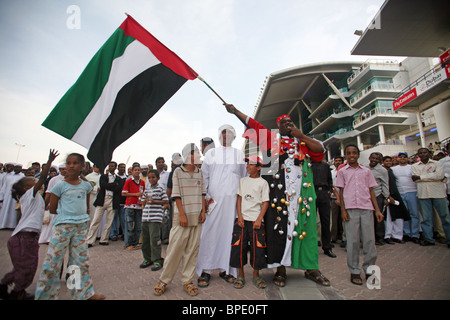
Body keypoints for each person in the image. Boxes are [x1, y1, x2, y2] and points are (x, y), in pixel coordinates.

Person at [224, 103, 330, 287]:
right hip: (279, 194)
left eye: (291, 123)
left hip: (303, 192)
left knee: (307, 228)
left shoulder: (304, 142)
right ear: (278, 127)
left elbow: (320, 151)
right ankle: (280, 269)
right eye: (284, 124)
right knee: (278, 230)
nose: (288, 125)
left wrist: (301, 136)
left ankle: (311, 268)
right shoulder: (272, 140)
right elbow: (253, 124)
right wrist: (235, 111)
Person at [35, 153, 105, 300]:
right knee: (53, 263)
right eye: (68, 163)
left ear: (82, 166)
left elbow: (86, 206)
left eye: (75, 163)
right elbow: (53, 208)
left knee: (79, 262)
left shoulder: (86, 185)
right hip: (63, 227)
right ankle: (46, 295)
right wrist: (67, 215)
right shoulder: (60, 185)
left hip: (80, 227)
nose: (71, 166)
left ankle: (82, 294)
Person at [0, 150, 58, 300]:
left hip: (27, 237)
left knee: (25, 267)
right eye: (31, 180)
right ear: (26, 188)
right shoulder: (29, 195)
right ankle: (15, 292)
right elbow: (43, 177)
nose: (34, 180)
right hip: (24, 237)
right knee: (27, 268)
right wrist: (49, 161)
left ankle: (9, 288)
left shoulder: (35, 198)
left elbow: (44, 204)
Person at [196, 124, 247, 287]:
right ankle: (205, 270)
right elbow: (204, 179)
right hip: (213, 202)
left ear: (234, 137)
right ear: (219, 136)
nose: (226, 137)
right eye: (224, 134)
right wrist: (206, 200)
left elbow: (243, 179)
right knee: (209, 234)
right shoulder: (211, 154)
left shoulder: (239, 154)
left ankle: (227, 270)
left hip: (232, 204)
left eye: (230, 134)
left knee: (229, 236)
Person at [154, 143, 206, 297]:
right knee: (174, 250)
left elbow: (203, 193)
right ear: (188, 155)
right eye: (196, 152)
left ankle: (187, 281)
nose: (198, 154)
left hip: (197, 216)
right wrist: (182, 215)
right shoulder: (177, 172)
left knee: (192, 250)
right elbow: (176, 195)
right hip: (181, 217)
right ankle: (164, 280)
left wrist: (203, 211)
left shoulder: (199, 172)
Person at [335, 144, 384, 285]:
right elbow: (341, 192)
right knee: (353, 242)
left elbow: (371, 191)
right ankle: (355, 271)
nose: (352, 155)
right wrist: (343, 211)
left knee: (369, 241)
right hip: (350, 209)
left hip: (366, 208)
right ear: (345, 155)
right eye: (349, 153)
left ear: (358, 154)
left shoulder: (366, 171)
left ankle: (370, 270)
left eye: (354, 153)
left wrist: (377, 210)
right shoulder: (343, 171)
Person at [230, 155, 269, 289]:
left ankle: (256, 275)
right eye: (247, 164)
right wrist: (239, 217)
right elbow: (239, 199)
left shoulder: (263, 183)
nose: (248, 166)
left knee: (257, 248)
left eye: (251, 164)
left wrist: (259, 219)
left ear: (258, 167)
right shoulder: (242, 181)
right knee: (238, 247)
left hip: (256, 221)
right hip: (242, 220)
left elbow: (265, 203)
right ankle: (240, 275)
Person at [411, 148, 450, 247]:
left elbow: (440, 176)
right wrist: (431, 176)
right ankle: (429, 239)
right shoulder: (414, 166)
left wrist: (421, 177)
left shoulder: (437, 164)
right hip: (423, 194)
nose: (423, 154)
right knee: (426, 218)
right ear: (418, 155)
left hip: (439, 193)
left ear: (429, 153)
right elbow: (415, 179)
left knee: (445, 217)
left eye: (425, 152)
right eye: (420, 153)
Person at [86, 161, 122, 247]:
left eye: (112, 166)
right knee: (96, 220)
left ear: (115, 167)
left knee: (109, 221)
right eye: (109, 166)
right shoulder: (103, 176)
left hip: (112, 200)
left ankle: (104, 239)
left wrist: (110, 185)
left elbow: (118, 189)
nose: (111, 167)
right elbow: (103, 186)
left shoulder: (118, 179)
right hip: (103, 199)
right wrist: (114, 185)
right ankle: (90, 240)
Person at [140, 169, 169, 271]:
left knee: (154, 240)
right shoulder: (147, 189)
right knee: (145, 240)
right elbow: (142, 202)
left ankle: (157, 259)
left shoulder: (160, 189)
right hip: (145, 218)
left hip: (155, 217)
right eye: (149, 177)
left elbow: (166, 201)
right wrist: (144, 200)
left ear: (158, 178)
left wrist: (155, 202)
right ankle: (147, 258)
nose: (151, 179)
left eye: (153, 177)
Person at [382, 156, 410, 244]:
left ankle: (397, 236)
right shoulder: (383, 171)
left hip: (396, 195)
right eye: (386, 161)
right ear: (383, 162)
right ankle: (388, 236)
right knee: (389, 218)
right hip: (388, 196)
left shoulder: (391, 171)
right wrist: (388, 196)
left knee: (398, 217)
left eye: (390, 161)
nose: (389, 163)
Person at [311, 159, 336, 257]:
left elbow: (330, 179)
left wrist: (329, 190)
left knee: (326, 220)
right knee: (311, 221)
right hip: (312, 192)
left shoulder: (325, 166)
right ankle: (312, 247)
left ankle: (327, 247)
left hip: (324, 193)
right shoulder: (308, 164)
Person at [366, 152, 389, 245]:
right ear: (369, 158)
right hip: (366, 195)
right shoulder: (364, 167)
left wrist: (386, 197)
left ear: (380, 161)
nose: (374, 160)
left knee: (378, 216)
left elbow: (385, 184)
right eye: (373, 158)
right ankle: (370, 237)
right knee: (368, 217)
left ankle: (380, 237)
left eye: (377, 159)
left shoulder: (382, 170)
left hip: (377, 194)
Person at [122, 164, 145, 250]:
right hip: (130, 206)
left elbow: (143, 192)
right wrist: (135, 194)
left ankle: (135, 243)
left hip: (139, 206)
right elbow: (123, 193)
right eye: (135, 170)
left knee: (138, 226)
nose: (137, 172)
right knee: (129, 226)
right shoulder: (128, 181)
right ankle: (128, 244)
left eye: (138, 170)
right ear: (132, 171)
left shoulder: (142, 182)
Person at [0, 163, 24, 229]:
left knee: (14, 211)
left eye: (19, 167)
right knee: (5, 210)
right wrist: (1, 197)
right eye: (16, 167)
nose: (17, 169)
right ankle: (3, 225)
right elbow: (4, 188)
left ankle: (12, 226)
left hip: (16, 197)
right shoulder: (8, 176)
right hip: (7, 197)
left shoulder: (22, 176)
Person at [110, 163, 127, 242]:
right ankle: (113, 235)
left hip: (124, 202)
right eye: (121, 167)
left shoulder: (126, 178)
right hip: (116, 201)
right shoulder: (114, 177)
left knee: (123, 219)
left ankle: (124, 234)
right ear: (118, 168)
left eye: (124, 167)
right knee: (114, 219)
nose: (122, 168)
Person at [330, 156, 344, 244]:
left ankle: (343, 238)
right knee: (334, 219)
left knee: (344, 219)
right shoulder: (331, 172)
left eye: (340, 161)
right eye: (336, 161)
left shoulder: (346, 171)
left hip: (345, 199)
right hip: (333, 198)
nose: (338, 162)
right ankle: (333, 237)